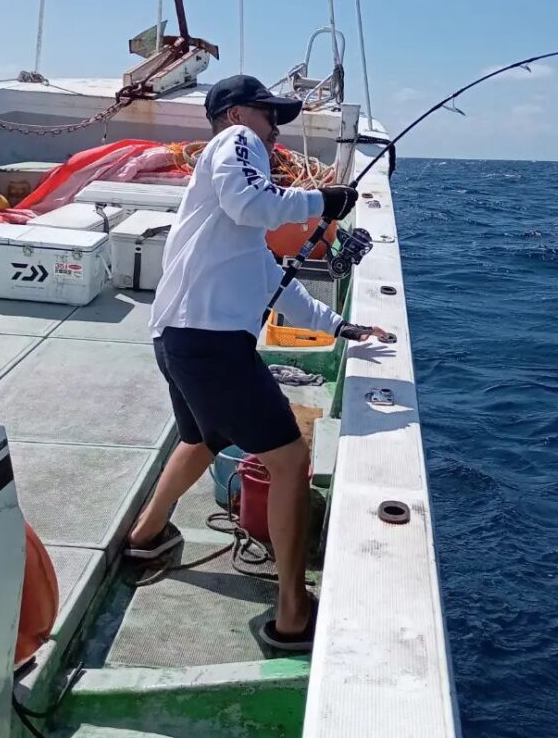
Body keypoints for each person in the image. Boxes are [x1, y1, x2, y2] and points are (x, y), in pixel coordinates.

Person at [126, 74, 386, 651]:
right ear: (239, 113)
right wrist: (324, 199)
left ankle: (145, 537)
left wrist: (342, 327)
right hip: (211, 344)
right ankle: (293, 614)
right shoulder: (234, 143)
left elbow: (276, 285)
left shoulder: (225, 223)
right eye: (272, 118)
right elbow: (253, 204)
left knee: (203, 439)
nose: (276, 133)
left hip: (179, 341)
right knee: (290, 460)